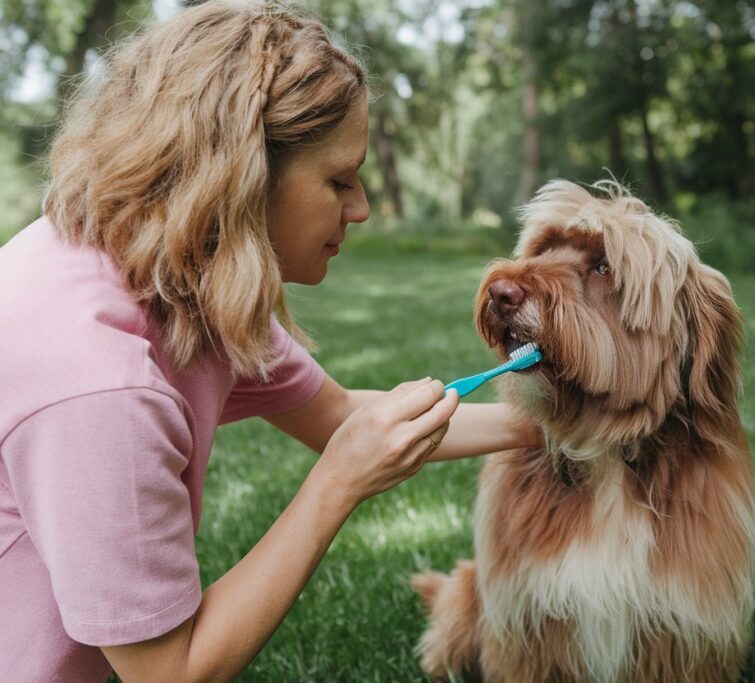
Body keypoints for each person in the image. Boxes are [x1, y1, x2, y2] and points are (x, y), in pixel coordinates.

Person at [0, 2, 534, 680]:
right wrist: (337, 483)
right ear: (241, 177)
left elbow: (341, 415)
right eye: (339, 179)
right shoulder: (99, 380)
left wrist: (552, 424)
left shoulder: (176, 273)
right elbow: (169, 670)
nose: (363, 207)